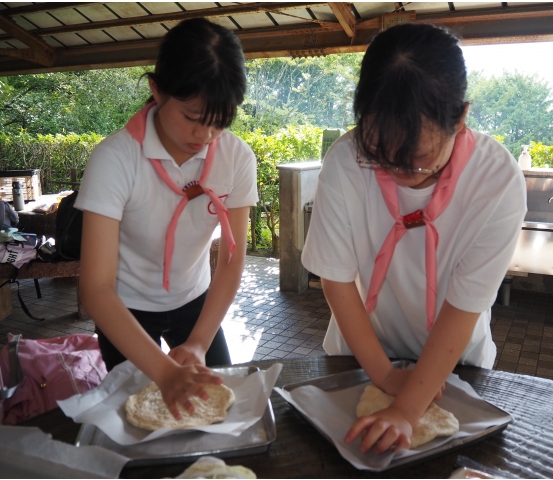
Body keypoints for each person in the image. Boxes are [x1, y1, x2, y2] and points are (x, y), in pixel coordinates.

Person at [301, 23, 527, 455]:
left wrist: (406, 408)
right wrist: (385, 377)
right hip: (360, 351)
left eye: (418, 160)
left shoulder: (495, 180)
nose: (399, 170)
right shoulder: (347, 161)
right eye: (380, 153)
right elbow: (336, 280)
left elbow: (466, 303)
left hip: (454, 360)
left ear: (460, 118)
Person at [76, 18, 257, 420]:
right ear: (156, 90)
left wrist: (197, 343)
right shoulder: (116, 160)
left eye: (221, 120)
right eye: (193, 116)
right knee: (140, 417)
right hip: (124, 309)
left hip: (196, 301)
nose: (206, 135)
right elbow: (96, 289)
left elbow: (230, 260)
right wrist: (163, 372)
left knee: (219, 410)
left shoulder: (236, 157)